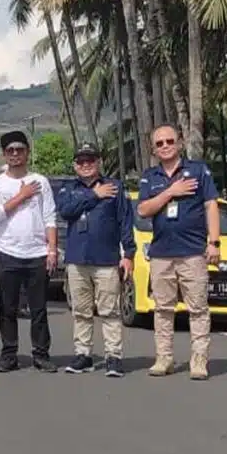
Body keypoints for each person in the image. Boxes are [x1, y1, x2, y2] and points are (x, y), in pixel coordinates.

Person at [137, 124, 220, 380]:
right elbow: (143, 210)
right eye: (159, 143)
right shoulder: (149, 177)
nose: (165, 146)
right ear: (153, 148)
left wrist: (214, 242)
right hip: (161, 253)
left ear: (180, 142)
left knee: (197, 309)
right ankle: (164, 358)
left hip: (193, 252)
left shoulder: (197, 171)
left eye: (169, 141)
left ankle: (199, 360)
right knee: (162, 309)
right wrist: (171, 192)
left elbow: (211, 206)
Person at [56, 143, 136, 377]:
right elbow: (66, 211)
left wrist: (129, 254)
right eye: (81, 161)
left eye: (90, 160)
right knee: (81, 311)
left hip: (106, 260)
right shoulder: (69, 188)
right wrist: (94, 195)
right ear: (75, 165)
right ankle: (84, 355)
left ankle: (113, 356)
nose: (86, 164)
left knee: (109, 311)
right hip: (77, 260)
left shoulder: (114, 187)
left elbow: (125, 222)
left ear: (98, 162)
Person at [0, 131, 59, 373]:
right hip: (7, 252)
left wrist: (52, 249)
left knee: (38, 309)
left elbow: (49, 217)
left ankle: (41, 354)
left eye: (19, 149)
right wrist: (21, 195)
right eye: (10, 151)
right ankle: (9, 354)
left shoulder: (41, 181)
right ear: (4, 154)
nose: (15, 154)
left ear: (27, 152)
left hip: (37, 253)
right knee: (8, 307)